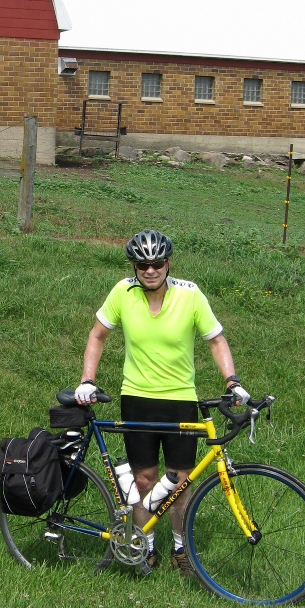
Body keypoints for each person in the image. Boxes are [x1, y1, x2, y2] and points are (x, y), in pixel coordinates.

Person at [75, 229, 249, 576]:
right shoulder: (122, 292)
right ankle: (146, 547)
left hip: (180, 399)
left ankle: (182, 550)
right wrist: (87, 380)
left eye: (157, 263)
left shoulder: (190, 294)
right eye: (143, 265)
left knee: (180, 482)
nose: (150, 270)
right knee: (144, 480)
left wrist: (232, 381)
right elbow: (97, 335)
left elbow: (216, 340)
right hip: (137, 399)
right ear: (134, 267)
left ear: (168, 263)